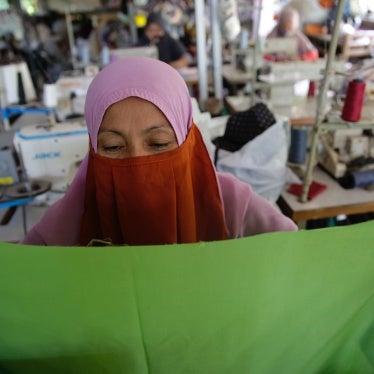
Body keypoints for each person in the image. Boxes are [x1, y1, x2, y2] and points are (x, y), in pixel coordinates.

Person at [21, 57, 297, 246]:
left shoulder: (234, 207)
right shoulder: (64, 226)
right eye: (114, 147)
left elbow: (295, 260)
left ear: (187, 141)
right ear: (93, 149)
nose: (138, 163)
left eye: (159, 144)